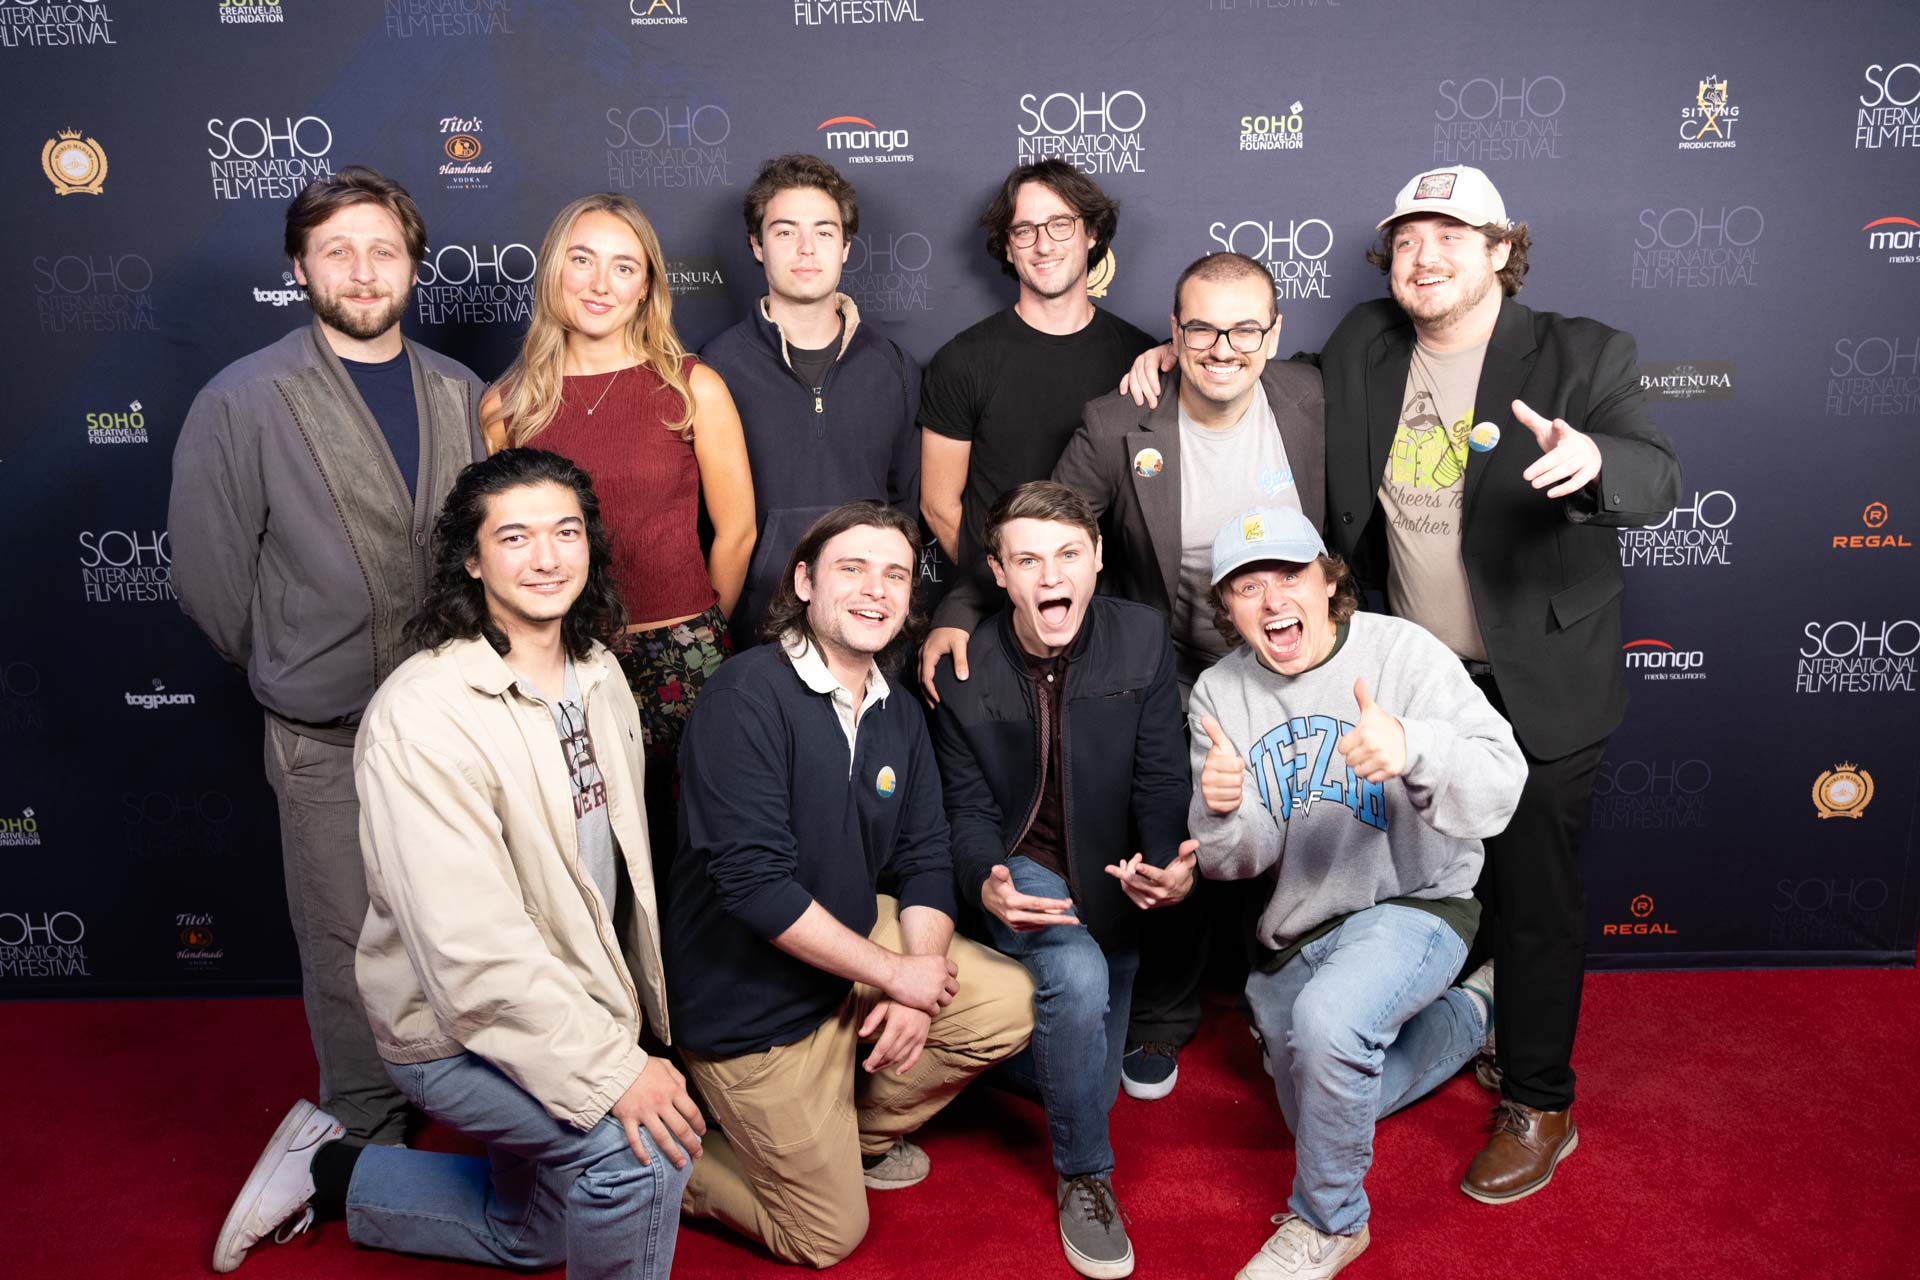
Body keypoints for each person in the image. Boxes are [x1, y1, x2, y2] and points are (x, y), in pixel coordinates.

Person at [1122, 165, 1682, 1201]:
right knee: (1414, 859)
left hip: (1541, 671)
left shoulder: (1580, 350)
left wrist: (1594, 459)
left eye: (1453, 238)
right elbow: (1256, 366)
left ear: (1503, 249)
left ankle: (1540, 1095)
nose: (1426, 258)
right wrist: (1186, 356)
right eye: (1410, 240)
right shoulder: (1367, 346)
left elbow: (1657, 473)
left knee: (1535, 888)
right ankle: (1451, 1005)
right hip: (1408, 671)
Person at [211, 448, 701, 1279]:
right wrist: (615, 1070)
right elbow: (470, 954)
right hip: (452, 1032)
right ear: (472, 561)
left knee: (535, 1234)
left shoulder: (602, 674)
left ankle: (327, 1168)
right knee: (636, 1154)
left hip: (562, 1003)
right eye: (515, 537)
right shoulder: (423, 714)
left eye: (566, 531)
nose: (547, 557)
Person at [920, 251, 1329, 1100]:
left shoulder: (1314, 400)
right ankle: (1165, 1016)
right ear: (1172, 335)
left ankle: (1291, 998)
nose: (1225, 346)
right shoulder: (1118, 423)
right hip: (1175, 666)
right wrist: (957, 611)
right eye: (1202, 328)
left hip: (1293, 658)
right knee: (1180, 819)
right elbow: (1039, 526)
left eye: (1245, 327)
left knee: (1316, 817)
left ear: (1275, 335)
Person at [170, 165, 486, 1146]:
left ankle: (468, 1101)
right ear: (300, 266)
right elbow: (209, 578)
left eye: (382, 250)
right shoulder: (245, 397)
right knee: (350, 942)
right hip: (326, 731)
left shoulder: (460, 391)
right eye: (337, 250)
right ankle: (368, 1134)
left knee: (454, 929)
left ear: (412, 266)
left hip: (452, 729)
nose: (362, 270)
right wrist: (294, 662)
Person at [667, 502, 1035, 1268]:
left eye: (895, 574)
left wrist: (911, 984)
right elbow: (754, 888)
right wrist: (896, 974)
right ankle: (661, 1169)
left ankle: (847, 1135)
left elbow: (928, 854)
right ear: (804, 581)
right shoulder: (746, 697)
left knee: (1005, 1003)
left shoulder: (897, 708)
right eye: (853, 568)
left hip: (845, 962)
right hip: (750, 1005)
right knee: (828, 1236)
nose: (877, 589)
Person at [1189, 505, 1523, 1280]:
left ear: (1329, 579)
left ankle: (1330, 1223)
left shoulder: (1403, 651)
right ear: (1225, 609)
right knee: (1330, 1107)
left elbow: (1501, 786)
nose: (1273, 601)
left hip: (1419, 902)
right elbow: (1236, 861)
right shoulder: (1218, 692)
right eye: (1246, 586)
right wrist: (1220, 809)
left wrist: (1414, 747)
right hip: (1301, 927)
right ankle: (1475, 1015)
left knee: (1332, 1027)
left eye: (1290, 575)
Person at [928, 481, 1195, 1279]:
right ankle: (1086, 1179)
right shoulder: (963, 667)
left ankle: (961, 1056)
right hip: (1024, 871)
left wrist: (1166, 865)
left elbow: (1160, 777)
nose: (1052, 575)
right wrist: (986, 879)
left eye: (1069, 554)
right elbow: (967, 810)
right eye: (1029, 559)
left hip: (1110, 891)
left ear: (1098, 559)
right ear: (999, 573)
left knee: (1086, 1074)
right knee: (1073, 981)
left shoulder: (1143, 639)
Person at [480, 192, 756, 868]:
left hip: (682, 655)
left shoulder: (693, 387)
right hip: (560, 654)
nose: (601, 284)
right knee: (584, 854)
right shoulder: (507, 405)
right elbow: (500, 546)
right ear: (554, 272)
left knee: (695, 849)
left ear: (647, 288)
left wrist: (696, 629)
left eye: (624, 267)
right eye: (583, 260)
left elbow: (739, 530)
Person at [701, 154, 921, 645]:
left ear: (845, 246)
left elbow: (907, 508)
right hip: (754, 632)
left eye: (823, 232)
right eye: (784, 232)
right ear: (757, 245)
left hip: (865, 629)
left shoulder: (896, 368)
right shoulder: (712, 369)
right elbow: (700, 523)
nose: (805, 249)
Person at [919, 158, 1156, 584]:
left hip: (1116, 606)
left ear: (1092, 233)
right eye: (1025, 230)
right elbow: (939, 505)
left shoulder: (1141, 357)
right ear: (1008, 247)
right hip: (1002, 607)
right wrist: (1006, 588)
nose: (1044, 245)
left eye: (1060, 224)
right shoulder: (962, 361)